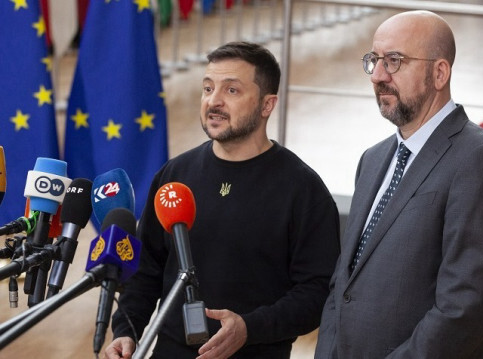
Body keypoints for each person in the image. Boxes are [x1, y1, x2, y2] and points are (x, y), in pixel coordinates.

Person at [104, 41, 341, 359]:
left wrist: (249, 328)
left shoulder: (302, 189)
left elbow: (317, 292)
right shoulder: (175, 174)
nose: (213, 101)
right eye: (207, 88)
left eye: (231, 91)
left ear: (266, 105)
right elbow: (145, 270)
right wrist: (127, 332)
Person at [314, 10, 483, 358]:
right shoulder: (373, 159)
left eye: (394, 61)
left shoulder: (479, 159)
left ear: (439, 73)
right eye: (374, 60)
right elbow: (342, 285)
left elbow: (464, 308)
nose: (378, 75)